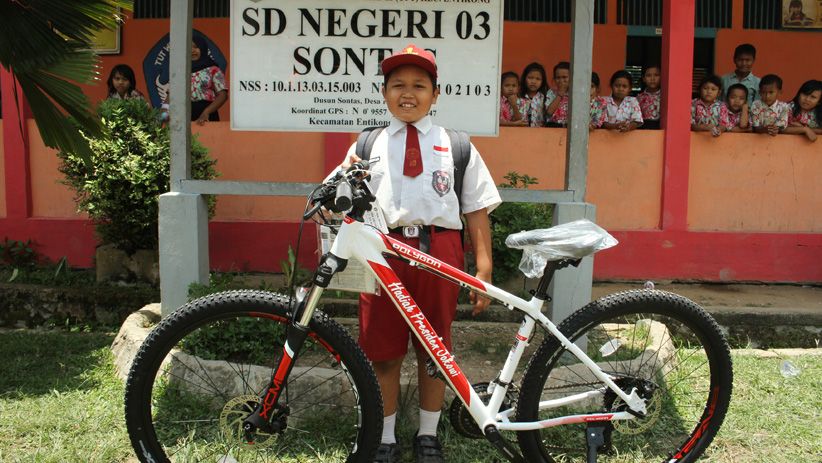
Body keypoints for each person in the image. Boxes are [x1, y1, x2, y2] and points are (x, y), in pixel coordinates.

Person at [335, 44, 500, 463]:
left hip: (440, 254)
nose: (408, 93)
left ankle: (428, 435)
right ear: (384, 92)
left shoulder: (457, 146)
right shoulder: (366, 145)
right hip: (381, 253)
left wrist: (483, 270)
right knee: (383, 351)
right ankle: (385, 437)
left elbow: (476, 212)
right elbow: (335, 193)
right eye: (397, 85)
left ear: (436, 93)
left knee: (435, 350)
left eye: (419, 85)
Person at [190, 36, 228, 125]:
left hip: (207, 115)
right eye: (189, 48)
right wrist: (163, 115)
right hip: (183, 116)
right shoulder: (180, 71)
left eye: (196, 47)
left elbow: (223, 95)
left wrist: (206, 112)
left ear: (202, 48)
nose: (192, 51)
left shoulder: (213, 69)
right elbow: (170, 97)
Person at [519, 62, 548, 127]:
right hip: (520, 132)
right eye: (530, 78)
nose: (533, 82)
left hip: (539, 133)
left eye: (538, 79)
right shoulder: (518, 96)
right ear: (524, 79)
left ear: (542, 81)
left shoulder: (545, 97)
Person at [545, 61, 570, 127]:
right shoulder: (551, 92)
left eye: (564, 77)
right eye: (558, 78)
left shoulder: (576, 93)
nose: (561, 81)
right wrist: (559, 95)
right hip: (554, 127)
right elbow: (549, 112)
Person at [637, 64, 662, 129]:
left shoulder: (665, 96)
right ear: (644, 79)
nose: (652, 79)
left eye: (656, 75)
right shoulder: (639, 98)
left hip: (660, 130)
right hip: (644, 130)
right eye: (648, 75)